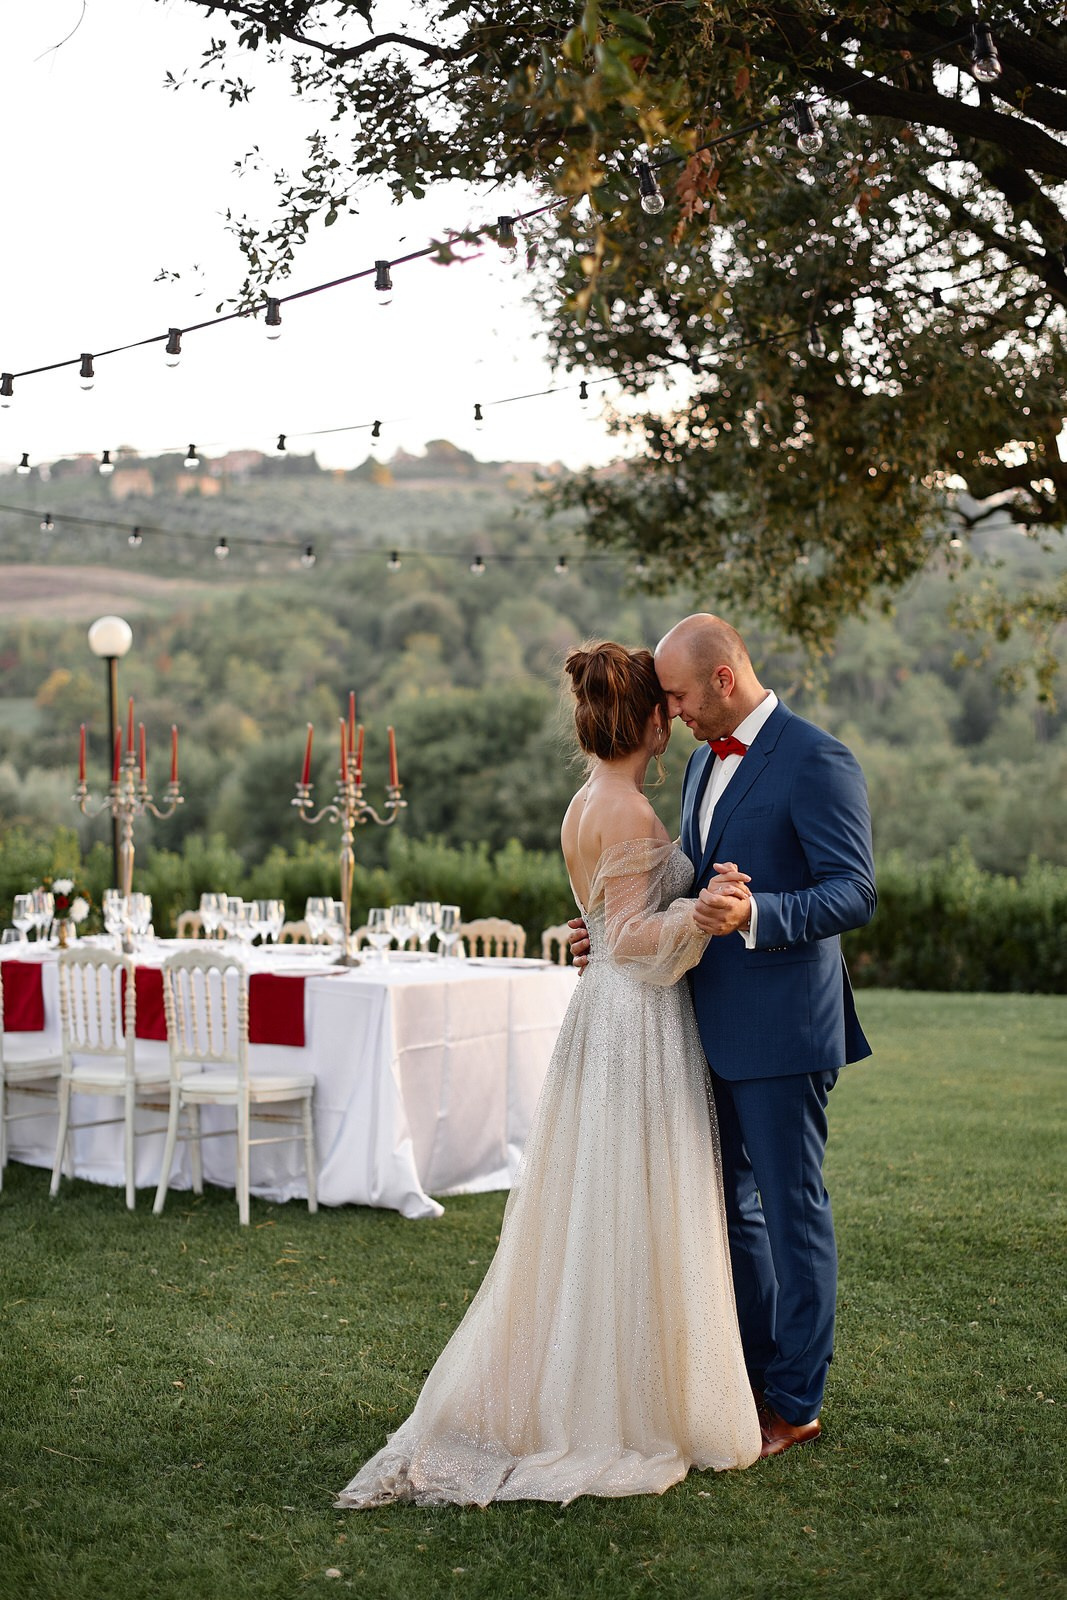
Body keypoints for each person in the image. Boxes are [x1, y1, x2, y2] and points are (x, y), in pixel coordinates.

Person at [337, 641, 762, 1509]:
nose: (674, 719)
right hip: (633, 1021)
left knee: (599, 1203)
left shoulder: (586, 802)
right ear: (648, 719)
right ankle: (624, 1405)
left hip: (599, 1016)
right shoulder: (634, 816)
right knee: (637, 1200)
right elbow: (637, 941)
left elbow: (606, 925)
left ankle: (601, 1374)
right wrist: (705, 910)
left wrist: (626, 927)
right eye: (666, 710)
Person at [574, 613, 877, 1458]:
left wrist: (758, 913)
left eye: (674, 695)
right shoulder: (704, 761)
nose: (668, 715)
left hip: (784, 1031)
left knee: (790, 1214)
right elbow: (679, 887)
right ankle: (744, 1377)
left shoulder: (816, 759)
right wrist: (605, 931)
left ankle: (795, 1401)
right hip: (702, 1024)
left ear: (719, 678)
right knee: (730, 1214)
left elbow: (853, 892)